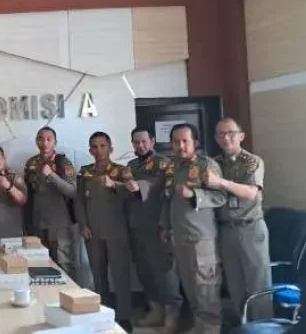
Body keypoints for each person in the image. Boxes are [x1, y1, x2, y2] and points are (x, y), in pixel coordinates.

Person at [161, 123, 227, 334]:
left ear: (195, 143)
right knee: (190, 288)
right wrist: (165, 226)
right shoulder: (173, 168)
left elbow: (221, 196)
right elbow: (168, 200)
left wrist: (194, 195)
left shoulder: (206, 165)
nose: (180, 146)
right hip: (179, 236)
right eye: (176, 142)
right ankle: (200, 327)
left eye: (185, 141)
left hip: (201, 238)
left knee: (205, 288)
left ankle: (210, 329)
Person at [208, 118, 270, 322]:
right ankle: (243, 325)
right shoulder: (214, 163)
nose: (226, 138)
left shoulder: (252, 161)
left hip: (250, 228)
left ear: (241, 136)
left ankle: (262, 327)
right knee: (235, 284)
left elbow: (250, 193)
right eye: (221, 134)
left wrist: (220, 182)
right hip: (225, 229)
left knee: (258, 283)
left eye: (231, 133)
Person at [75, 132, 135, 333]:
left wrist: (114, 185)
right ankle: (103, 314)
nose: (99, 150)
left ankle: (124, 316)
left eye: (103, 146)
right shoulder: (85, 172)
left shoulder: (121, 171)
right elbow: (79, 201)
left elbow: (132, 195)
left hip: (117, 231)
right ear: (90, 150)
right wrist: (83, 225)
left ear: (111, 148)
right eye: (94, 146)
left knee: (120, 276)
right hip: (93, 232)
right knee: (98, 276)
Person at [125, 127, 183, 334]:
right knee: (144, 270)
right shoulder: (131, 165)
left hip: (158, 225)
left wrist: (139, 185)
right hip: (137, 225)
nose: (140, 145)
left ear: (152, 141)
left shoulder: (164, 163)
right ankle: (155, 309)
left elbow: (164, 189)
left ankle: (172, 313)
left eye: (144, 141)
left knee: (164, 271)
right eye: (136, 142)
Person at [24, 126, 78, 278]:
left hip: (59, 223)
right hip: (37, 223)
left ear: (55, 142)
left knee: (64, 264)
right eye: (40, 139)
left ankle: (68, 293)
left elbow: (72, 191)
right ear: (36, 142)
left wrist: (52, 176)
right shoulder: (31, 163)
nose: (44, 143)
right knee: (40, 264)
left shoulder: (63, 162)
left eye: (49, 139)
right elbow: (29, 192)